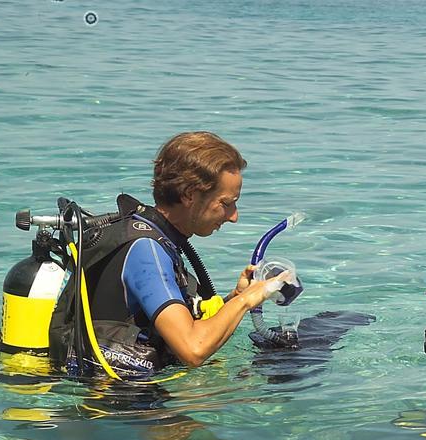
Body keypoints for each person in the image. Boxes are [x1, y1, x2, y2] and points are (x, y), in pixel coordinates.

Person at [54, 131, 291, 376]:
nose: (234, 216)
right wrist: (248, 299)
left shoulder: (151, 236)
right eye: (226, 203)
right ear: (190, 195)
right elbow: (193, 349)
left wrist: (235, 297)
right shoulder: (147, 251)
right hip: (115, 404)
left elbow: (182, 328)